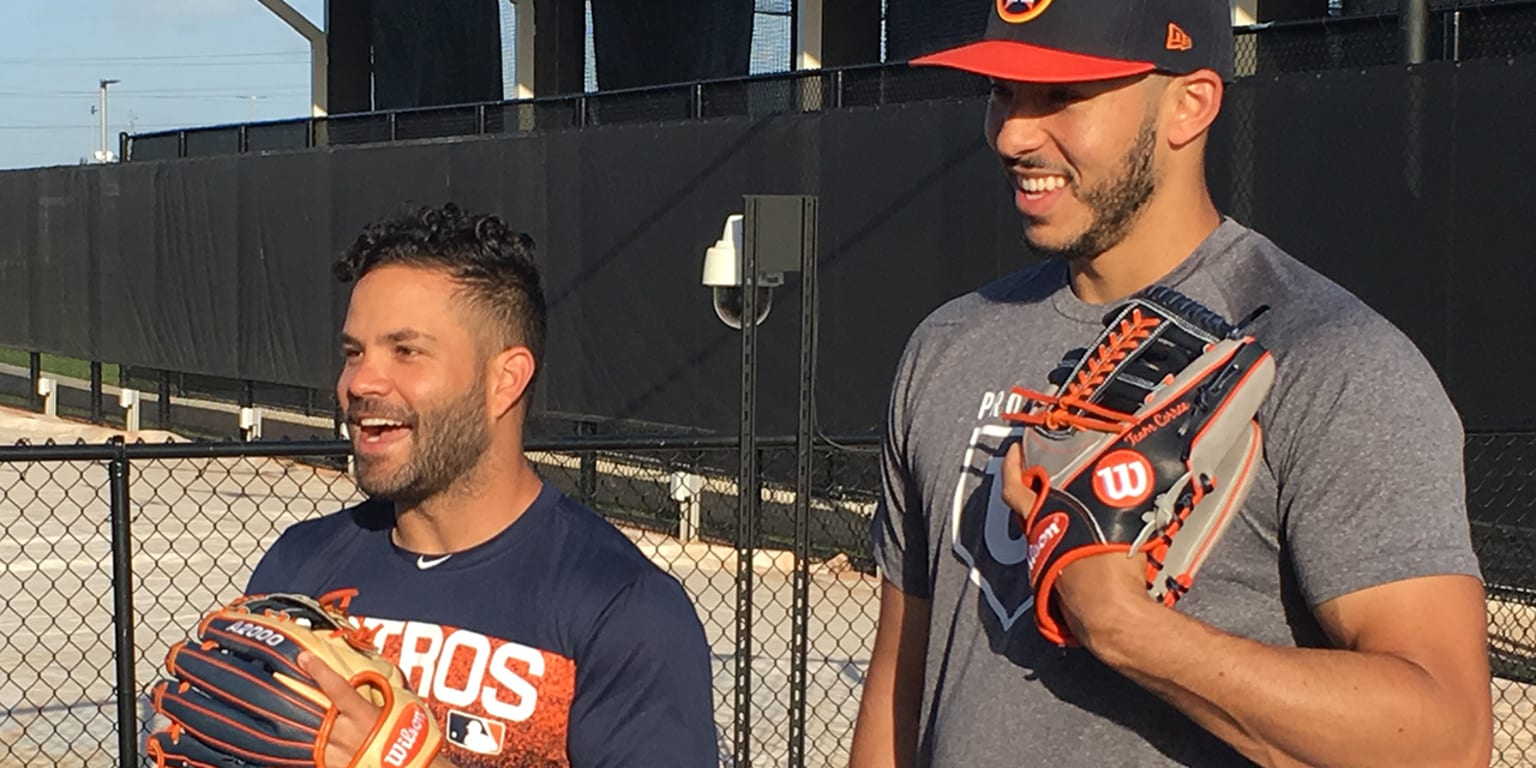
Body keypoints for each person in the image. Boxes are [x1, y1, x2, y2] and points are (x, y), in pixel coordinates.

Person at [848, 1, 1493, 766]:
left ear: (1190, 103)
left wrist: (1127, 628)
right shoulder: (949, 345)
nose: (1014, 134)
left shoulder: (1328, 357)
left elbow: (1448, 738)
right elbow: (900, 681)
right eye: (1001, 91)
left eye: (1061, 97)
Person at [244, 202, 718, 767]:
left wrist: (406, 759)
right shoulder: (298, 567)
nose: (361, 381)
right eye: (354, 353)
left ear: (505, 380)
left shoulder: (623, 609)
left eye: (406, 351)